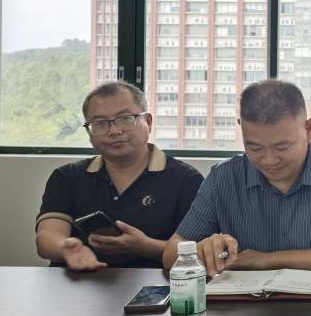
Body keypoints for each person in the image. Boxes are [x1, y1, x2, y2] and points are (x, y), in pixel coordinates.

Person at [163, 79, 311, 275]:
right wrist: (201, 252)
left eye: (282, 147)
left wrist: (265, 260)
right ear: (241, 128)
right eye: (255, 147)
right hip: (243, 301)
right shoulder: (223, 178)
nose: (269, 160)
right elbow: (171, 253)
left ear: (308, 129)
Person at [35, 81, 203, 270]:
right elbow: (47, 238)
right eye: (99, 123)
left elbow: (197, 251)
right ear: (89, 133)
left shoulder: (186, 180)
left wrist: (145, 247)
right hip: (77, 281)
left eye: (125, 118)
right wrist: (66, 248)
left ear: (148, 122)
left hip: (154, 284)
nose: (114, 131)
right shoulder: (67, 177)